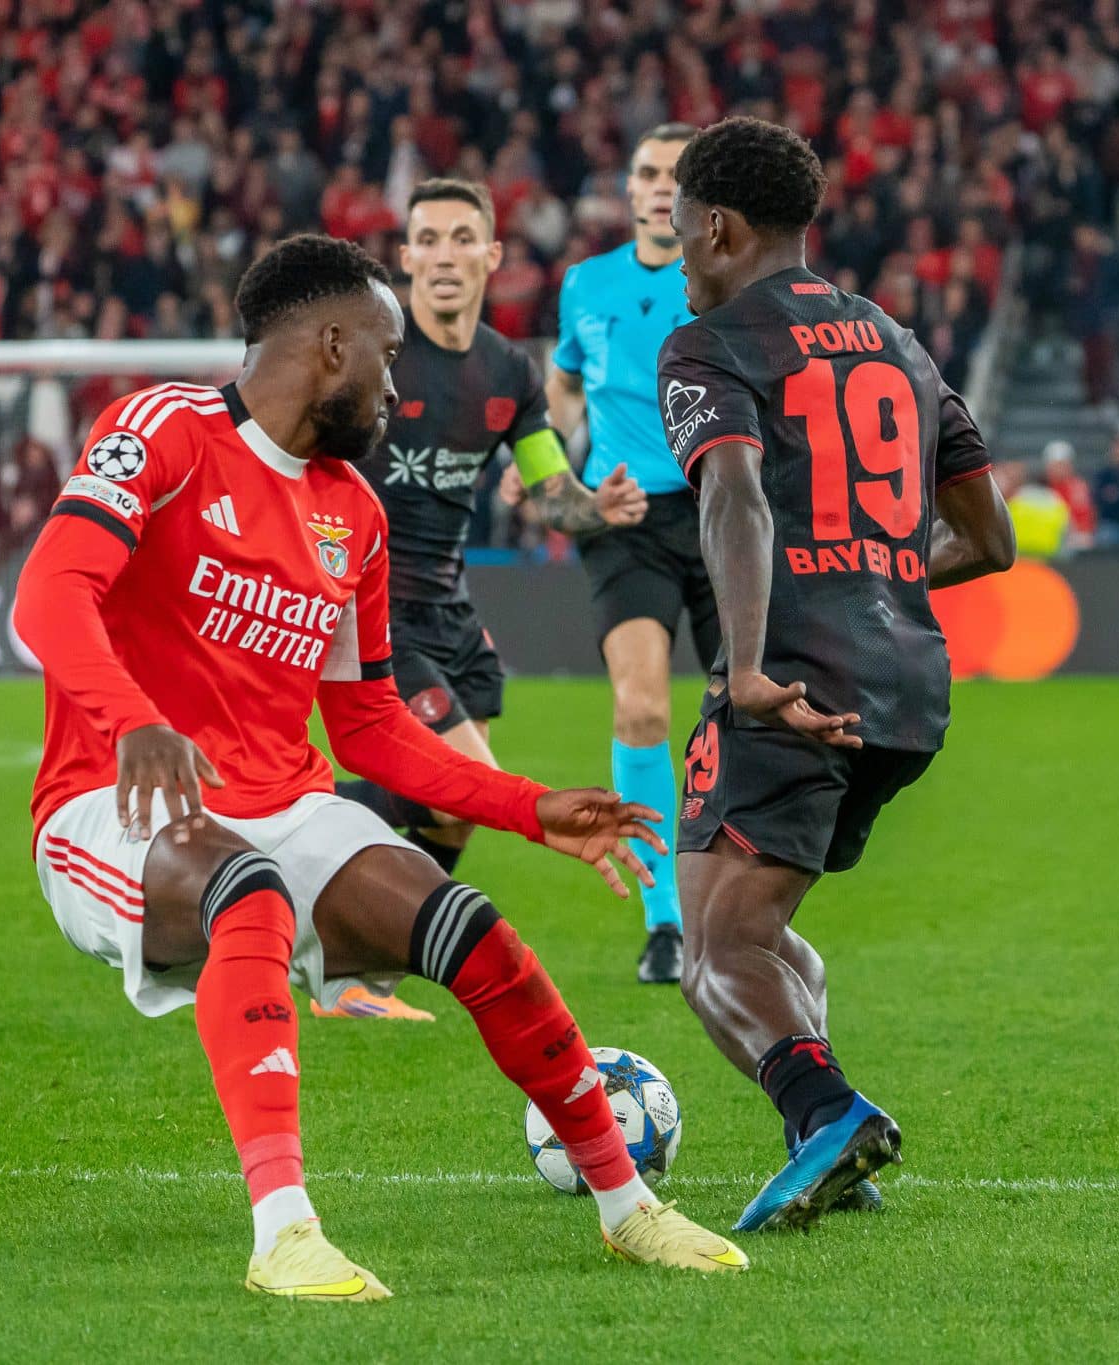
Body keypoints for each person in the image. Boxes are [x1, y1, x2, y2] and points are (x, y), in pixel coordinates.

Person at [10, 234, 746, 1301]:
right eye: (388, 358)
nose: (398, 388)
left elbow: (366, 730)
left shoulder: (350, 513)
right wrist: (131, 721)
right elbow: (49, 592)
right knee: (243, 889)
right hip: (107, 808)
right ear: (329, 344)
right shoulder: (163, 427)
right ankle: (284, 1233)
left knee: (470, 931)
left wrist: (529, 807)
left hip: (279, 799)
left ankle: (627, 1208)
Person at [656, 119, 1015, 1231]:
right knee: (760, 928)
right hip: (906, 685)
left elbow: (732, 497)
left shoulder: (711, 343)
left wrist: (753, 662)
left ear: (716, 225)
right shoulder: (895, 342)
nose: (677, 260)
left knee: (711, 948)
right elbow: (989, 538)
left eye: (678, 236)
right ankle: (821, 1136)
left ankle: (827, 1116)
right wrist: (876, 579)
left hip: (794, 684)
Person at [332, 179, 647, 1019]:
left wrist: (594, 506)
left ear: (490, 257)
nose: (442, 255)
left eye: (459, 238)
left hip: (449, 607)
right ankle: (293, 832)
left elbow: (550, 492)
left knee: (454, 815)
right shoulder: (375, 359)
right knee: (466, 781)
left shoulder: (509, 369)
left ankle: (357, 965)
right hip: (372, 606)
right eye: (426, 239)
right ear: (404, 260)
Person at [546, 122, 705, 985]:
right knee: (641, 708)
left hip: (725, 516)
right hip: (627, 521)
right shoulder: (584, 284)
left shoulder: (725, 282)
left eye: (674, 176)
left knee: (744, 716)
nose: (654, 187)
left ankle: (734, 903)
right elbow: (566, 381)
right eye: (646, 172)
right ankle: (665, 921)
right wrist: (550, 455)